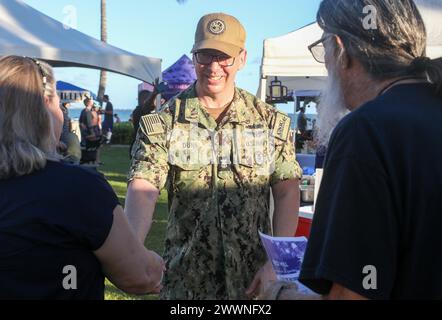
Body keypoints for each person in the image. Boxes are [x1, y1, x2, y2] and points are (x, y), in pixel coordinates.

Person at [126, 12, 302, 300]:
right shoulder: (164, 122)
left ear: (242, 58)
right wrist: (132, 253)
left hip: (254, 284)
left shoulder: (269, 121)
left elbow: (286, 192)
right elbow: (143, 189)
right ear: (194, 57)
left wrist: (276, 264)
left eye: (224, 57)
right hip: (186, 283)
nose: (214, 67)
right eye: (205, 56)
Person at [295, 0, 442, 299]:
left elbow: (353, 293)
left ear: (341, 50)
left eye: (323, 49)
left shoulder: (366, 131)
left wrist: (278, 296)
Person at [0, 55, 165, 299]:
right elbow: (139, 275)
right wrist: (156, 263)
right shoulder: (76, 189)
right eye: (56, 102)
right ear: (44, 106)